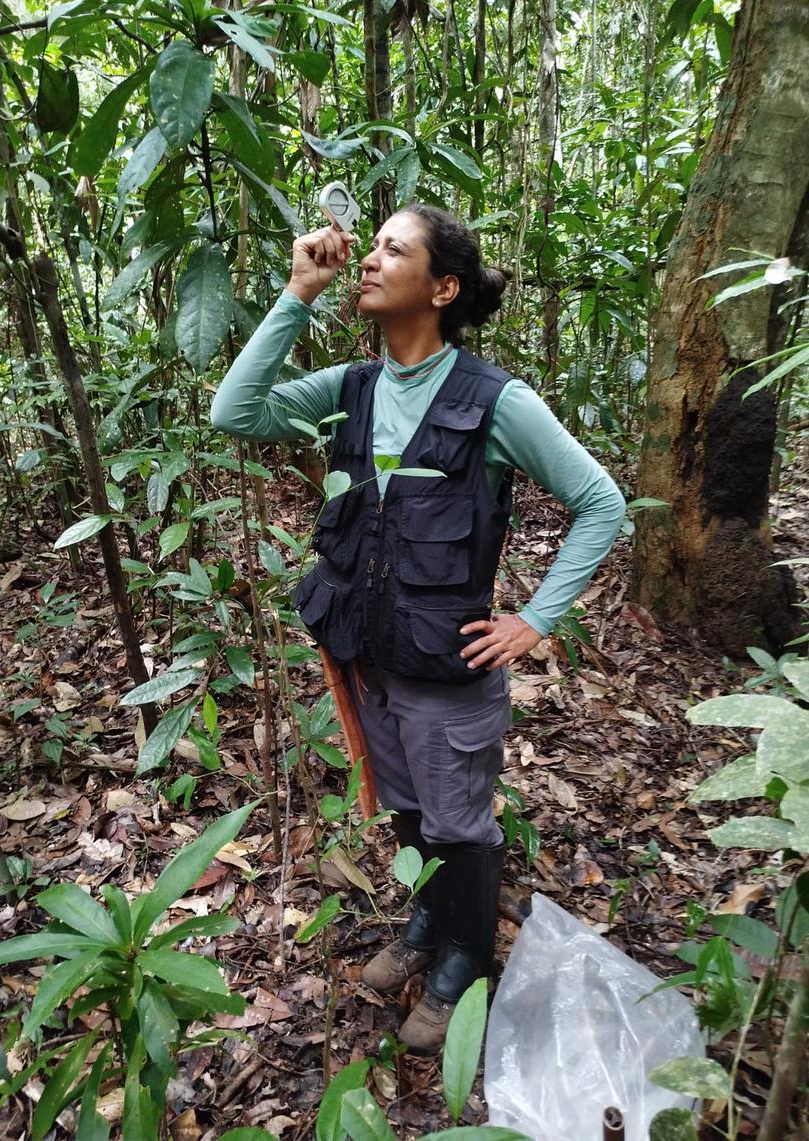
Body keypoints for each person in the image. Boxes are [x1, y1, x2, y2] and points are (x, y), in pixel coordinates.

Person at [211, 204, 626, 1053]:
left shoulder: (495, 399)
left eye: (391, 250)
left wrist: (536, 619)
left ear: (441, 288)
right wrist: (298, 292)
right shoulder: (353, 389)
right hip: (374, 658)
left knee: (457, 823)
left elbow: (600, 501)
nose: (367, 260)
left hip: (449, 667)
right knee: (406, 806)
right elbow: (235, 412)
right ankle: (429, 922)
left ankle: (466, 957)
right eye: (370, 247)